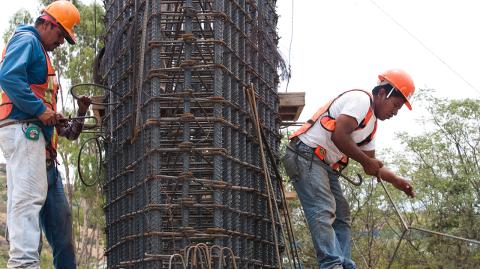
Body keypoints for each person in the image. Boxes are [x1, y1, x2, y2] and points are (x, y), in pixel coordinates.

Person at [282, 69, 416, 269]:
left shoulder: (371, 126)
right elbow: (339, 136)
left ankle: (343, 264)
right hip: (305, 155)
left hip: (322, 163)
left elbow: (372, 163)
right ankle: (332, 264)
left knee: (341, 213)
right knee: (323, 208)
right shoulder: (361, 100)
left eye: (398, 109)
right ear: (381, 93)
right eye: (395, 105)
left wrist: (396, 180)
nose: (395, 112)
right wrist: (365, 162)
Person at [0, 1, 80, 268]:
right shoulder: (27, 39)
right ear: (46, 23)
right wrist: (39, 110)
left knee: (62, 225)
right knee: (26, 203)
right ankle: (23, 265)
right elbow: (8, 77)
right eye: (60, 35)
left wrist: (68, 114)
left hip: (43, 151)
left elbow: (49, 115)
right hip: (25, 134)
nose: (61, 42)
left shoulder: (41, 54)